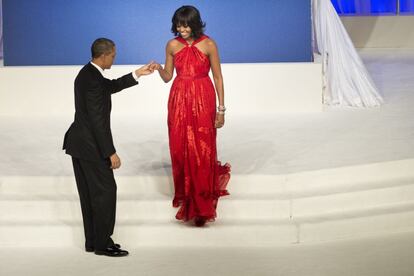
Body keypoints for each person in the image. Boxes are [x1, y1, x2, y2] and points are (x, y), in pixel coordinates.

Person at [63, 38, 154, 257]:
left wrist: (137, 74)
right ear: (103, 55)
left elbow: (110, 86)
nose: (114, 58)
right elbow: (98, 121)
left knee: (90, 194)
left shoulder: (89, 73)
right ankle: (103, 244)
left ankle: (93, 242)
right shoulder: (93, 79)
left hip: (79, 144)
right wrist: (110, 152)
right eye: (113, 55)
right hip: (90, 145)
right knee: (105, 192)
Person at [152, 5, 230, 227]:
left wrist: (221, 109)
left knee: (202, 146)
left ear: (194, 23)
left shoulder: (209, 44)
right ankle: (186, 193)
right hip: (178, 99)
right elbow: (168, 77)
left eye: (185, 24)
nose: (181, 29)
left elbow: (218, 77)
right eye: (178, 24)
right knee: (179, 146)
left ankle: (201, 198)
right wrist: (159, 68)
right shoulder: (172, 45)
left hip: (203, 98)